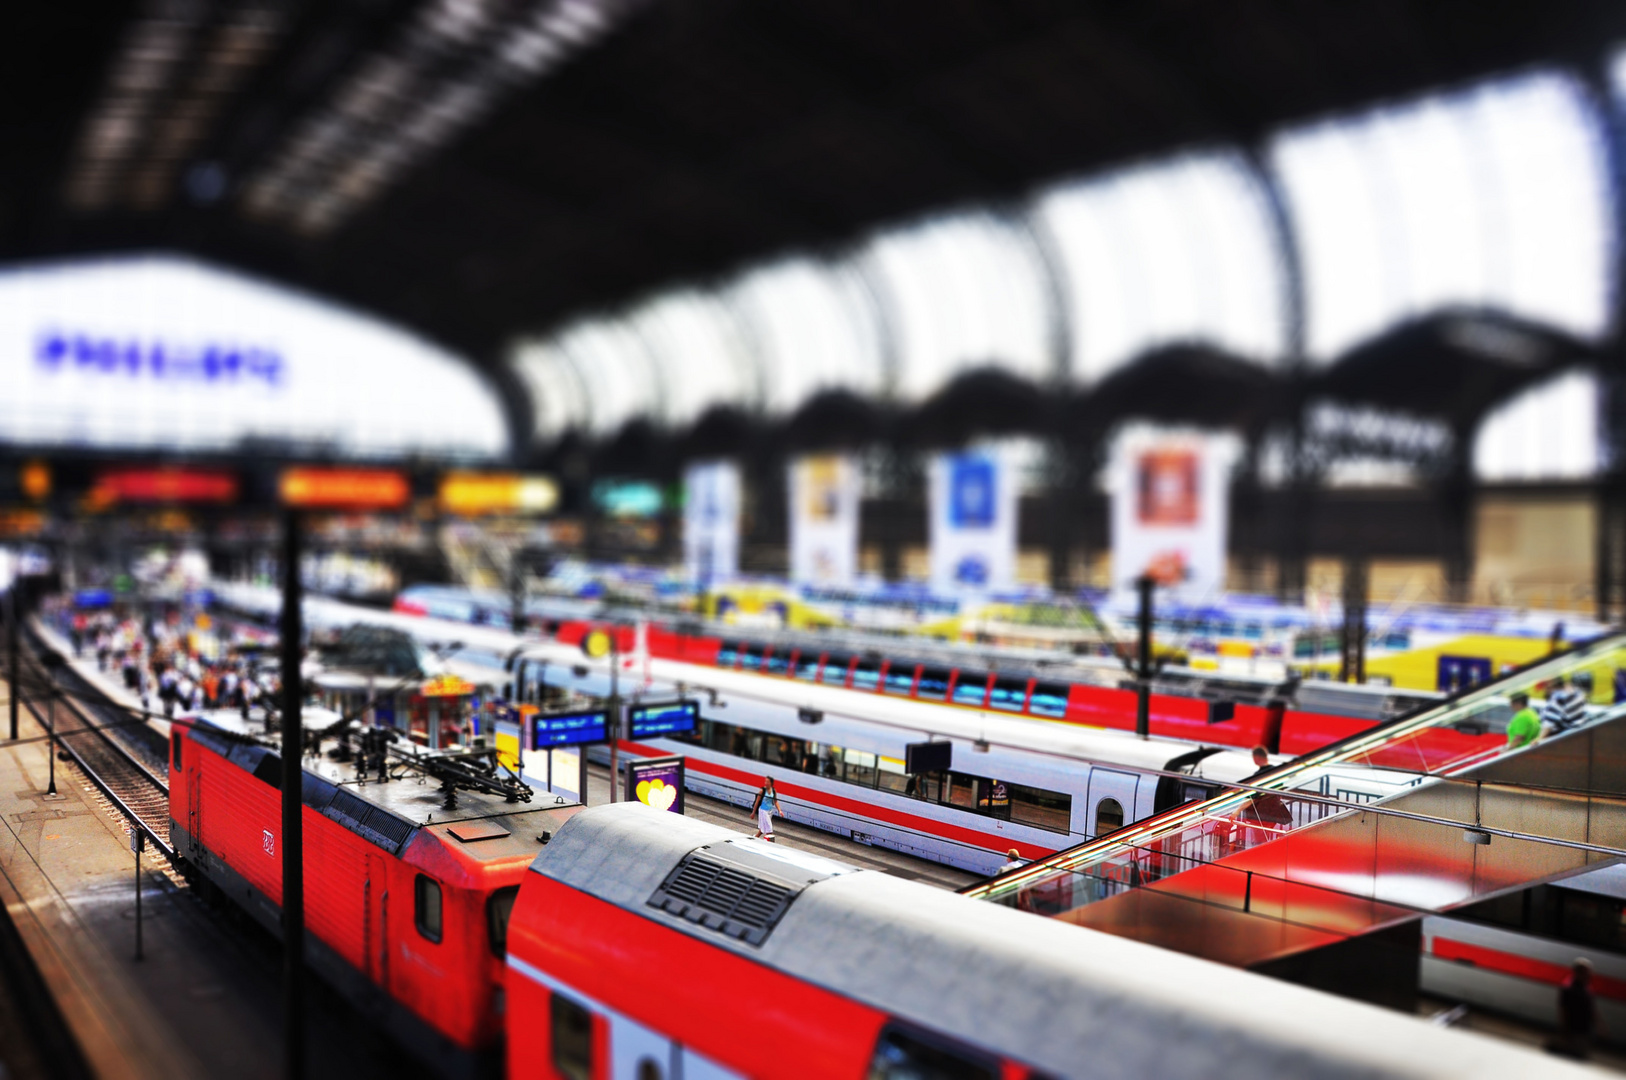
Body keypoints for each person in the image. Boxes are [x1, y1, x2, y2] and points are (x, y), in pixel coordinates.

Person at [1555, 958, 1595, 1059]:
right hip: (1574, 1031)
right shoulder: (1570, 988)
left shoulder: (1585, 987)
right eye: (1585, 973)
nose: (1588, 975)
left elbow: (1591, 1008)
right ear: (1577, 972)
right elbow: (1564, 1011)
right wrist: (1565, 1030)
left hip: (1583, 1030)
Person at [749, 778, 780, 842]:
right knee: (769, 830)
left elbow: (775, 801)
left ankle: (755, 838)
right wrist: (753, 812)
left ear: (771, 783)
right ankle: (768, 843)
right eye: (765, 782)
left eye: (768, 782)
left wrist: (780, 810)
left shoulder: (773, 791)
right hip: (763, 811)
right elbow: (757, 802)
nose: (766, 783)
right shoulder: (762, 791)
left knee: (762, 828)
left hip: (770, 811)